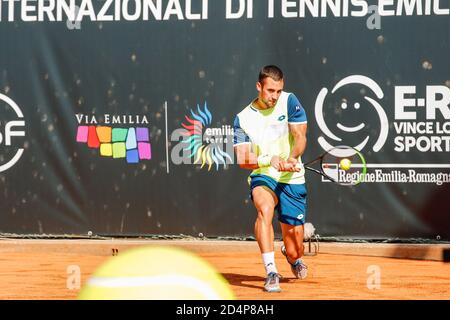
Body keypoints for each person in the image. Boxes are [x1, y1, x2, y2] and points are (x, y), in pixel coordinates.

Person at [233, 65, 308, 293]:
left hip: (292, 178)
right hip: (264, 174)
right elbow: (243, 159)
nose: (275, 96)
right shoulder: (242, 119)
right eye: (270, 91)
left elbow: (300, 135)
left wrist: (293, 157)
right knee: (264, 208)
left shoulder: (290, 101)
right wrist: (268, 160)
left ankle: (291, 256)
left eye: (278, 91)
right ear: (259, 87)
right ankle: (271, 271)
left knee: (296, 249)